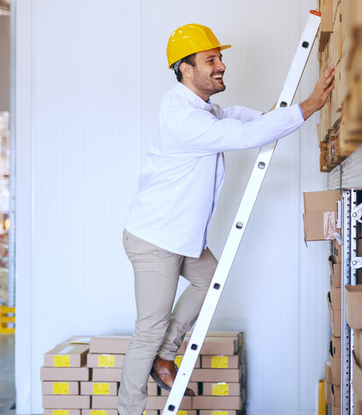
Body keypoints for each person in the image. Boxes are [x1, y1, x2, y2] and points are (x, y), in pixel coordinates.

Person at [117, 23, 334, 414]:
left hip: (179, 237)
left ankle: (165, 354)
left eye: (220, 57)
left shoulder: (201, 109)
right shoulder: (185, 119)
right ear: (185, 68)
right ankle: (129, 409)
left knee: (210, 279)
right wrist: (307, 107)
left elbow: (237, 118)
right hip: (155, 241)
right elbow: (243, 136)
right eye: (211, 60)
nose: (221, 66)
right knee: (147, 329)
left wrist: (276, 114)